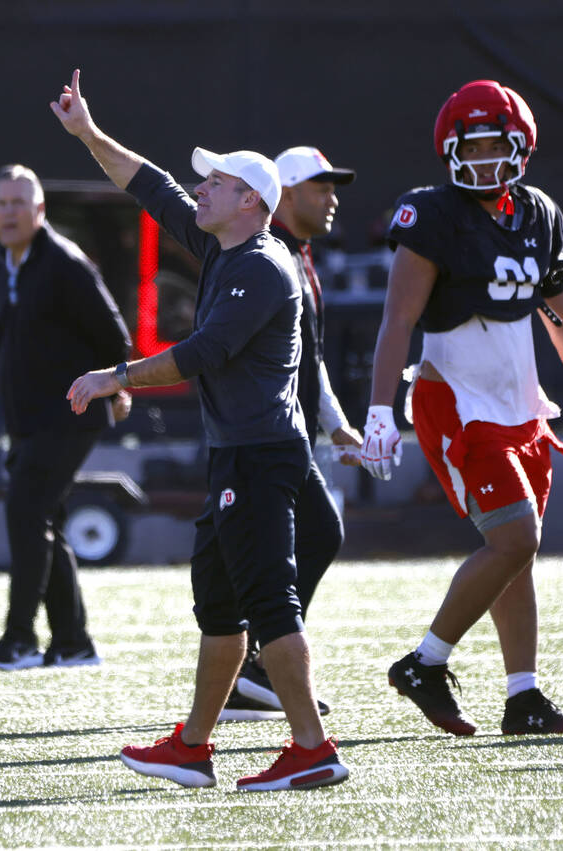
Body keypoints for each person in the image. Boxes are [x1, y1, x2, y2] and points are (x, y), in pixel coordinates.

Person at [54, 69, 348, 791]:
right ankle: (192, 744)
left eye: (214, 183)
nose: (201, 191)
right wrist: (88, 133)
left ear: (250, 199)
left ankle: (311, 746)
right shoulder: (225, 244)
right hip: (240, 456)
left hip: (257, 456)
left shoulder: (262, 265)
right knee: (219, 608)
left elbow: (202, 354)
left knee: (269, 601)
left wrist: (113, 376)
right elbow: (149, 184)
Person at [361, 80, 563, 736]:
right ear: (448, 150)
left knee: (515, 551)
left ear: (521, 147)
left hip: (520, 401)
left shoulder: (538, 214)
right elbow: (399, 319)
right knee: (515, 537)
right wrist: (379, 409)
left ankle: (523, 696)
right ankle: (425, 661)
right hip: (455, 397)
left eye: (494, 144)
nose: (482, 159)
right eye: (470, 146)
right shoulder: (433, 213)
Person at [221, 147, 362, 721]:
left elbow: (311, 357)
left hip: (286, 434)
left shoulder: (298, 254)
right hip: (262, 435)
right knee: (312, 536)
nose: (332, 199)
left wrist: (335, 423)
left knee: (299, 543)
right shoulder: (268, 251)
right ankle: (252, 671)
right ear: (289, 191)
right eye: (321, 187)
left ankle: (248, 674)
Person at [0, 162, 131, 671]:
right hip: (27, 421)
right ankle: (72, 642)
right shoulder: (4, 264)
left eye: (19, 203)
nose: (9, 213)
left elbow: (116, 336)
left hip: (71, 417)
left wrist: (118, 383)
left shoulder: (65, 263)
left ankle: (20, 639)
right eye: (1, 204)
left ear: (40, 209)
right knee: (46, 520)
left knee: (25, 512)